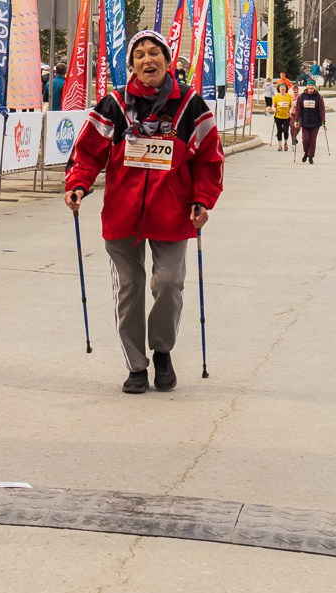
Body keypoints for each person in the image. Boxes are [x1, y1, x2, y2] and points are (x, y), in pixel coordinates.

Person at [64, 29, 223, 395]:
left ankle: (162, 350)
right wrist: (78, 183)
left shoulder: (191, 106)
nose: (147, 60)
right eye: (140, 55)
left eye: (155, 53)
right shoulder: (115, 104)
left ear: (168, 62)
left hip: (173, 213)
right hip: (123, 213)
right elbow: (88, 152)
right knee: (130, 288)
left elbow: (209, 159)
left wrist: (203, 198)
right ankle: (136, 365)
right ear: (132, 65)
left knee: (168, 284)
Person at [294, 80, 326, 163]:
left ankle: (310, 156)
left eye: (312, 86)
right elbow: (298, 109)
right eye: (309, 86)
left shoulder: (319, 97)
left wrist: (323, 122)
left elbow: (322, 110)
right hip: (305, 122)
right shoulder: (301, 97)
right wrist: (296, 120)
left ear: (314, 87)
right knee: (305, 139)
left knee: (312, 140)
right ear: (307, 87)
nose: (311, 88)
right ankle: (306, 152)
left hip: (315, 122)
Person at [272, 81, 293, 151]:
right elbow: (273, 106)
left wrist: (290, 111)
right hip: (278, 116)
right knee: (279, 130)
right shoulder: (276, 96)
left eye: (284, 87)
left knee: (286, 130)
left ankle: (286, 143)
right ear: (279, 88)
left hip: (286, 116)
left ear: (286, 88)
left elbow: (292, 106)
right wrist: (274, 109)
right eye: (281, 87)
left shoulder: (289, 96)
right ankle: (280, 145)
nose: (282, 88)